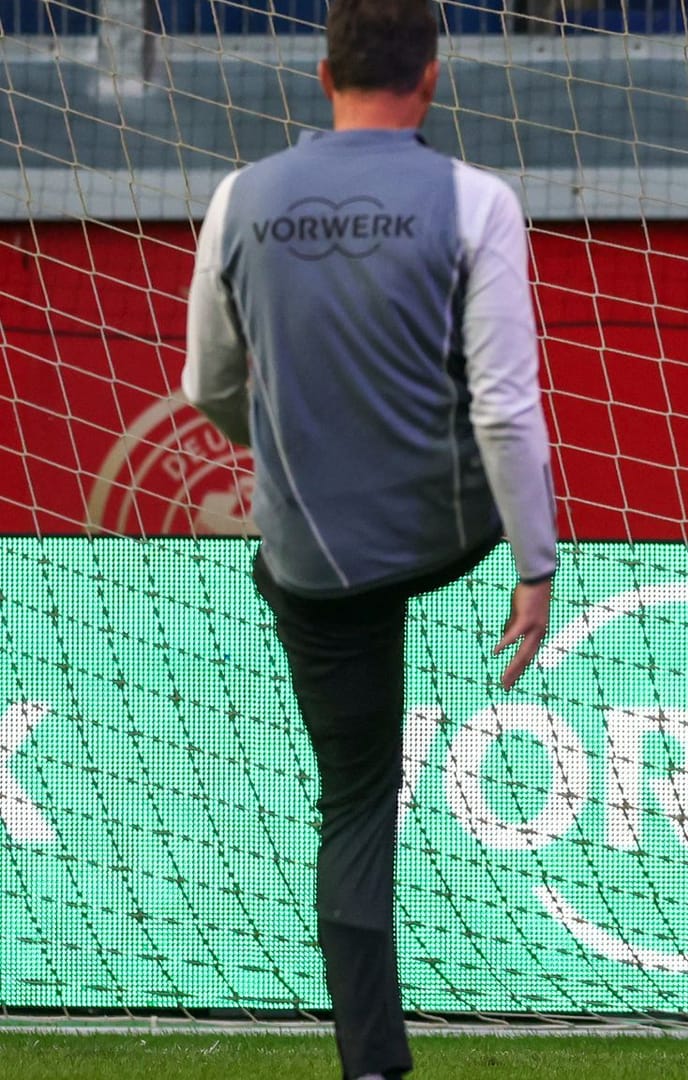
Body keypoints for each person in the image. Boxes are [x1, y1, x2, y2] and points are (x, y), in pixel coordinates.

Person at [181, 1, 557, 1076]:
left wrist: (303, 449)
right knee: (472, 427)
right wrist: (534, 566)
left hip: (312, 558)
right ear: (432, 81)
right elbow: (504, 409)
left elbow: (207, 385)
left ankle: (373, 1068)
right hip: (449, 533)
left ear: (320, 72)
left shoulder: (237, 197)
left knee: (354, 801)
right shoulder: (476, 200)